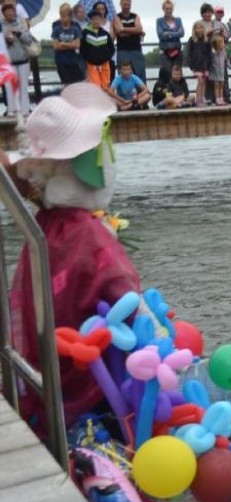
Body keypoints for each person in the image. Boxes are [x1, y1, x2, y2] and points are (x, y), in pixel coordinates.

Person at [2, 83, 140, 437]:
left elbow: (28, 184)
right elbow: (123, 294)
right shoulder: (85, 232)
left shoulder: (48, 223)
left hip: (53, 354)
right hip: (89, 372)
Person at [1, 1, 32, 116]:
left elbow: (29, 40)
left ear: (15, 12)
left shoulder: (21, 23)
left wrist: (18, 34)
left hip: (22, 60)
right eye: (7, 11)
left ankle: (25, 110)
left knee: (23, 86)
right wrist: (6, 39)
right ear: (3, 13)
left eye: (11, 11)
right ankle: (11, 110)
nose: (9, 13)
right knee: (9, 87)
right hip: (8, 62)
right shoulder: (1, 25)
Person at [52, 3, 86, 87]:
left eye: (66, 15)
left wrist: (63, 43)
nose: (63, 18)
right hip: (61, 60)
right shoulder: (56, 25)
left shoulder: (76, 26)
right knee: (66, 84)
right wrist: (70, 44)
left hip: (75, 60)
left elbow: (77, 44)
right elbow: (56, 46)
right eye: (62, 15)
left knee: (78, 83)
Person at [80, 8, 114, 90]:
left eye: (98, 19)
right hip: (92, 64)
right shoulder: (85, 33)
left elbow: (111, 48)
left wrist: (107, 57)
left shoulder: (105, 34)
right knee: (95, 86)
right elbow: (82, 47)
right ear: (90, 20)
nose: (96, 21)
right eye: (94, 19)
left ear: (101, 20)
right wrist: (87, 58)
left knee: (106, 86)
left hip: (104, 64)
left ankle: (105, 102)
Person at [112, 0, 144, 83]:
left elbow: (139, 29)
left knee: (139, 74)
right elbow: (119, 31)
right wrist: (134, 31)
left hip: (136, 49)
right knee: (123, 74)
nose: (127, 6)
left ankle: (142, 94)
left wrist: (124, 29)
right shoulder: (117, 17)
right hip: (122, 50)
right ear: (121, 4)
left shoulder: (135, 16)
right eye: (125, 4)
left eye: (128, 4)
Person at [187, 20, 211, 106]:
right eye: (198, 28)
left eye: (201, 28)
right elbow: (189, 53)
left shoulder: (206, 40)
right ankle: (198, 99)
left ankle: (202, 98)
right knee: (200, 81)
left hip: (205, 65)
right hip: (196, 65)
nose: (200, 30)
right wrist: (191, 66)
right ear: (195, 29)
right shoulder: (192, 40)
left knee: (204, 82)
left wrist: (209, 65)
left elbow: (209, 53)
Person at [156, 0, 183, 75]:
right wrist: (175, 32)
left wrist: (169, 33)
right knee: (168, 74)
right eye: (167, 9)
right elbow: (160, 35)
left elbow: (181, 33)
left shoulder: (178, 20)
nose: (168, 11)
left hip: (177, 51)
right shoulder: (159, 21)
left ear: (173, 9)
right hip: (165, 52)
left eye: (170, 9)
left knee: (177, 74)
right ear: (163, 9)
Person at [210, 33, 228, 105]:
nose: (223, 44)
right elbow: (212, 61)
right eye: (221, 42)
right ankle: (217, 98)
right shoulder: (213, 52)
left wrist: (230, 66)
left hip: (222, 71)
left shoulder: (223, 52)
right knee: (217, 85)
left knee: (222, 84)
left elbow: (226, 60)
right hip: (215, 71)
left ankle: (221, 98)